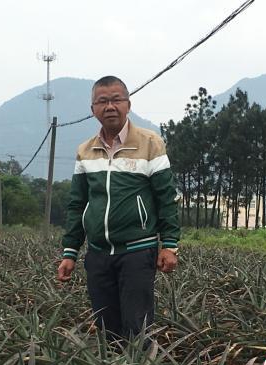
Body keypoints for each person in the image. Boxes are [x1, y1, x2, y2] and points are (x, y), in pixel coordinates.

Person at [57, 75, 180, 341]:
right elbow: (77, 205)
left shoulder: (150, 143)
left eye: (116, 99)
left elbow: (166, 197)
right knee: (106, 326)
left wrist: (169, 245)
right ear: (93, 110)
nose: (109, 106)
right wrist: (70, 252)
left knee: (137, 326)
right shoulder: (85, 151)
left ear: (128, 104)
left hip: (137, 250)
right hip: (98, 253)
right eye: (102, 101)